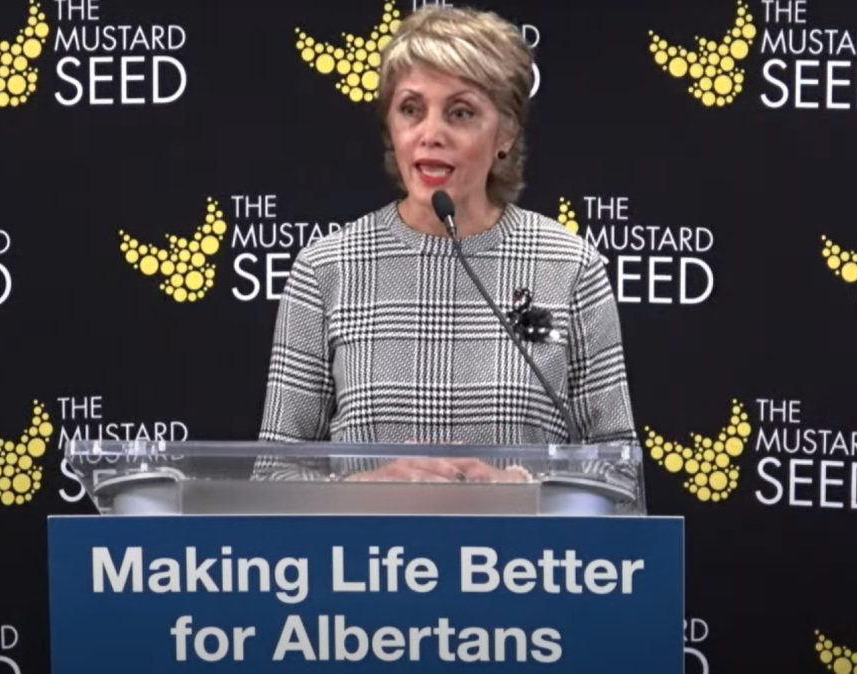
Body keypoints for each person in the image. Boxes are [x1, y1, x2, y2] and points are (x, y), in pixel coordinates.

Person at [255, 6, 635, 482]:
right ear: (392, 128)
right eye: (411, 109)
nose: (430, 135)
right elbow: (273, 475)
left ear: (505, 134)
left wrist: (520, 489)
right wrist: (363, 488)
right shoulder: (326, 269)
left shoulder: (569, 266)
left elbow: (621, 475)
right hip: (367, 556)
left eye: (461, 112)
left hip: (519, 557)